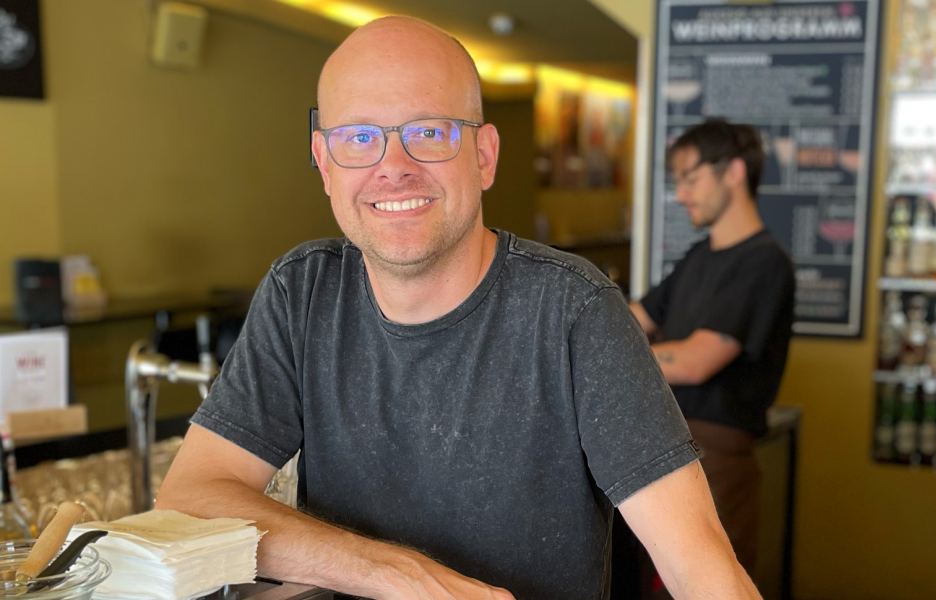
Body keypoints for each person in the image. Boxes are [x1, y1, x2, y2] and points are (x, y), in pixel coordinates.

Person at [156, 16, 760, 600]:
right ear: (324, 163)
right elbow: (193, 495)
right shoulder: (303, 293)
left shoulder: (573, 311)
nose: (393, 167)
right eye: (360, 138)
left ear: (485, 156)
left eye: (428, 132)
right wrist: (399, 575)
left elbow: (700, 563)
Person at [630, 119, 796, 573]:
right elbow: (631, 319)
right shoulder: (698, 258)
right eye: (677, 181)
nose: (681, 195)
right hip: (662, 447)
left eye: (690, 178)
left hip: (716, 458)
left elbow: (697, 361)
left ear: (734, 172)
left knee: (710, 581)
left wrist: (614, 358)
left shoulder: (764, 264)